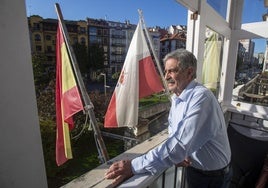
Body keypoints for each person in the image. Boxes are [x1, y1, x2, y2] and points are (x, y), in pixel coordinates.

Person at [105, 49, 232, 188]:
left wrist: (134, 166)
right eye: (165, 71)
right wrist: (181, 154)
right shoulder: (177, 98)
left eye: (172, 71)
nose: (166, 77)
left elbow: (179, 144)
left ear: (189, 72)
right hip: (195, 170)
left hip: (214, 178)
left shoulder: (201, 98)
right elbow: (174, 132)